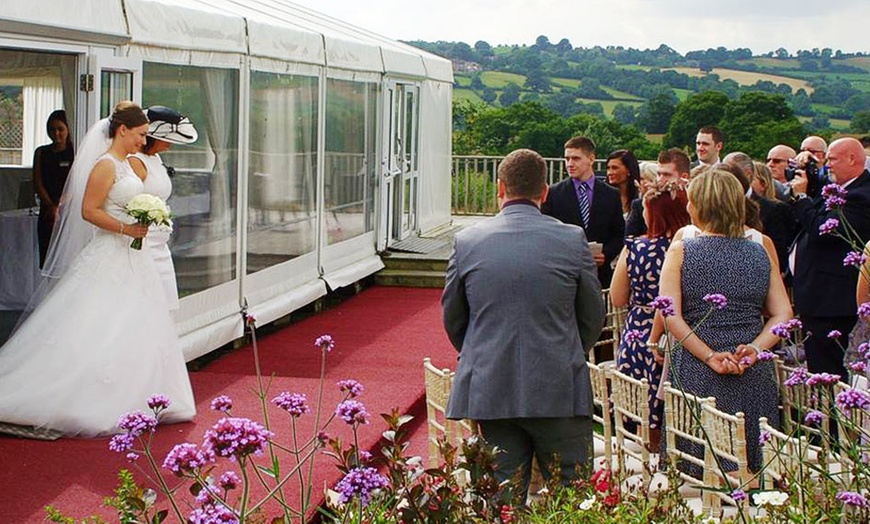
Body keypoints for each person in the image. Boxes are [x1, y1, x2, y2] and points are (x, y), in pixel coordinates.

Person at [0, 101, 196, 438]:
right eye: (139, 134)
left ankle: (141, 394)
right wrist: (126, 228)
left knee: (135, 324)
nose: (142, 140)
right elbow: (89, 211)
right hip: (111, 250)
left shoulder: (127, 164)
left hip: (135, 256)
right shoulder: (106, 166)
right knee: (99, 322)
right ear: (123, 131)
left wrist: (144, 219)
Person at [443, 148, 605, 500]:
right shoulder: (572, 239)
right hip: (560, 387)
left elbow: (454, 319)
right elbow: (593, 316)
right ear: (545, 192)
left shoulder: (467, 241)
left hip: (491, 389)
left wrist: (484, 352)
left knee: (498, 502)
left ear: (499, 188)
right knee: (573, 501)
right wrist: (565, 350)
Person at [659, 169, 792, 473]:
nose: (687, 207)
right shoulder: (759, 251)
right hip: (750, 370)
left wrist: (708, 355)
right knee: (754, 468)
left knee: (694, 466)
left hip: (695, 368)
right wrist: (756, 349)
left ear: (702, 206)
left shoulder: (681, 250)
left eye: (691, 201)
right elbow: (783, 313)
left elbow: (669, 315)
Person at [611, 180, 690, 451]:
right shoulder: (692, 248)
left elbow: (617, 297)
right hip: (683, 329)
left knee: (644, 407)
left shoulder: (636, 248)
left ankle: (651, 454)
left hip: (640, 334)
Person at [790, 137, 870, 379]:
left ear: (852, 159)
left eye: (832, 159)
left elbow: (822, 231)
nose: (829, 166)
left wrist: (802, 199)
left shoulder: (861, 196)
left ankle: (833, 417)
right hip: (819, 300)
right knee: (819, 367)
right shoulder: (843, 189)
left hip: (833, 303)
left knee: (831, 372)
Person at [129, 106, 198, 311]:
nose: (170, 145)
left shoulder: (155, 158)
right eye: (167, 139)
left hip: (160, 243)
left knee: (165, 303)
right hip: (144, 243)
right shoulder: (135, 162)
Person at [542, 136, 624, 287]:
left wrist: (606, 254)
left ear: (591, 159)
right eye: (567, 159)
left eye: (575, 158)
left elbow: (618, 233)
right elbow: (546, 234)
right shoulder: (554, 194)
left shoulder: (611, 194)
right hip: (564, 273)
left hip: (599, 275)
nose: (570, 164)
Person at [32, 110, 74, 268]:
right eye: (52, 129)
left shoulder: (74, 152)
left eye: (60, 129)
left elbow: (75, 182)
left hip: (67, 207)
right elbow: (37, 181)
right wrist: (50, 205)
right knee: (47, 252)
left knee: (67, 254)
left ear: (68, 129)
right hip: (47, 208)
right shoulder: (42, 152)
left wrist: (60, 205)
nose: (56, 133)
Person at [625, 148, 691, 238]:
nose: (660, 179)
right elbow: (628, 239)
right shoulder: (643, 204)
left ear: (684, 177)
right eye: (658, 174)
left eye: (667, 175)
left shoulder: (696, 205)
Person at [605, 149, 640, 217]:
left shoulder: (640, 197)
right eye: (608, 168)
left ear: (629, 170)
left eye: (615, 168)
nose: (609, 173)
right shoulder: (603, 195)